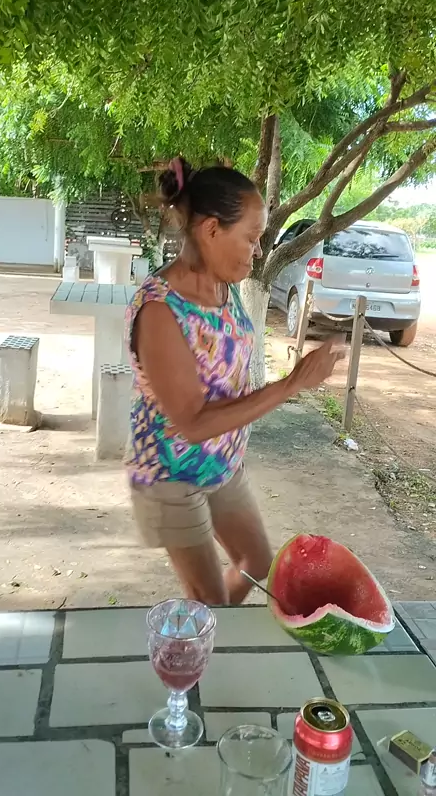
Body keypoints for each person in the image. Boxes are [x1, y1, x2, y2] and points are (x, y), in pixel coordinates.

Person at [125, 157, 344, 605]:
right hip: (170, 475)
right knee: (212, 605)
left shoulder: (224, 285)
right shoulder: (160, 311)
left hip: (223, 462)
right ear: (211, 230)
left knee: (257, 563)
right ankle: (193, 637)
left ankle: (201, 628)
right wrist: (292, 384)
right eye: (251, 237)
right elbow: (192, 423)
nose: (258, 251)